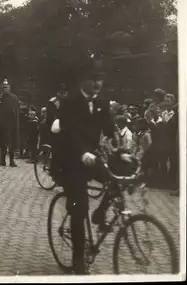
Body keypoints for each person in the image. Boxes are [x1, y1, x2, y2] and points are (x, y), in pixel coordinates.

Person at [58, 70, 115, 275]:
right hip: (70, 161)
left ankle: (99, 214)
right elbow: (70, 132)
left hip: (91, 158)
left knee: (115, 181)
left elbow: (110, 130)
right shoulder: (69, 102)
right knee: (79, 209)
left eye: (100, 81)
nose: (97, 85)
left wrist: (121, 151)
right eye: (93, 81)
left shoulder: (102, 103)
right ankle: (78, 259)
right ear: (84, 81)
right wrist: (82, 153)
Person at [0, 78, 20, 167]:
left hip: (11, 124)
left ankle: (12, 161)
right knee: (2, 143)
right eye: (3, 87)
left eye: (6, 87)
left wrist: (16, 124)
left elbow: (16, 112)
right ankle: (2, 160)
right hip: (2, 124)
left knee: (11, 143)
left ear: (9, 88)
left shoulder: (14, 98)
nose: (5, 88)